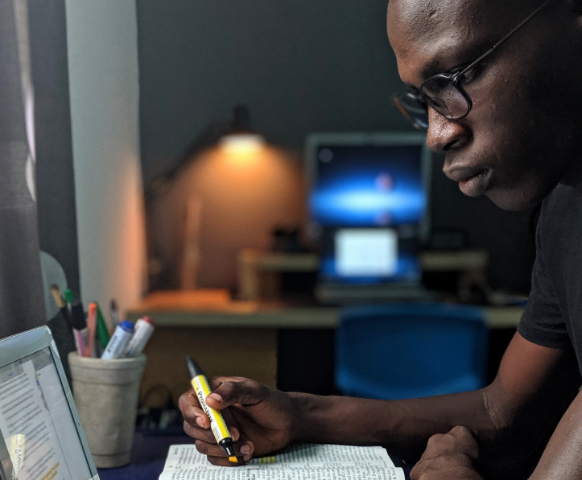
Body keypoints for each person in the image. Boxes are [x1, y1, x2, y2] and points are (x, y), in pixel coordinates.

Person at [179, 0, 582, 478]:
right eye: (424, 100)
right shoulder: (564, 210)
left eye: (457, 75)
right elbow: (499, 411)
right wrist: (298, 415)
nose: (436, 135)